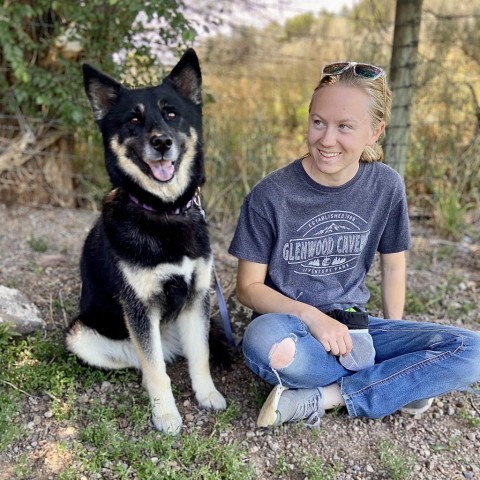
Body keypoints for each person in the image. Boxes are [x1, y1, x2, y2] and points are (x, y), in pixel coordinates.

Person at [228, 61, 480, 428]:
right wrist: (311, 317)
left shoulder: (386, 186)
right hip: (293, 331)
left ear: (375, 131)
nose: (327, 139)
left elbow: (393, 264)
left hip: (357, 329)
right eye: (318, 122)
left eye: (344, 126)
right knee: (265, 341)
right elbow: (247, 288)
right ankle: (400, 382)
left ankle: (325, 397)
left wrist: (393, 331)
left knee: (473, 351)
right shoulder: (271, 195)